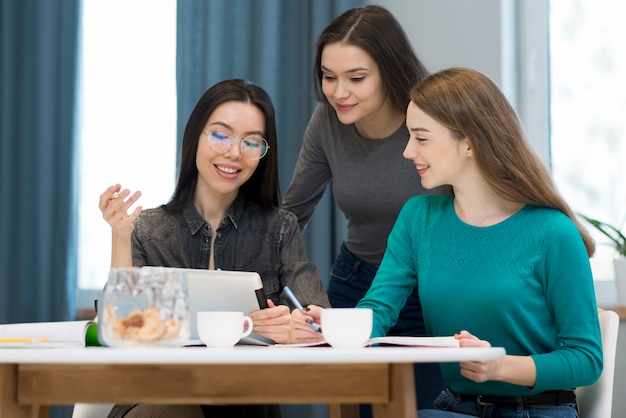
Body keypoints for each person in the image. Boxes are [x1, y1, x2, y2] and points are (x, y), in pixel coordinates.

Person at [349, 67, 602, 417]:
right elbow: (377, 311)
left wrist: (498, 367)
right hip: (454, 407)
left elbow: (586, 359)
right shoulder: (418, 218)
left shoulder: (553, 232)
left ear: (468, 141)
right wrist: (325, 329)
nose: (408, 152)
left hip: (536, 411)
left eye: (421, 138)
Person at [99, 79, 330, 418]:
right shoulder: (146, 229)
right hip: (159, 400)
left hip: (244, 403)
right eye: (221, 135)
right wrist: (120, 236)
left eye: (252, 142)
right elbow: (121, 329)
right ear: (195, 137)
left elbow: (317, 324)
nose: (234, 153)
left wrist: (292, 326)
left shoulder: (279, 228)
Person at [281, 5, 445, 412]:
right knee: (355, 408)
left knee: (426, 407)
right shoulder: (327, 121)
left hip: (432, 288)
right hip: (357, 283)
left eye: (356, 78)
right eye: (328, 76)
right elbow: (291, 214)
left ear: (389, 70)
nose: (339, 92)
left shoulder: (434, 116)